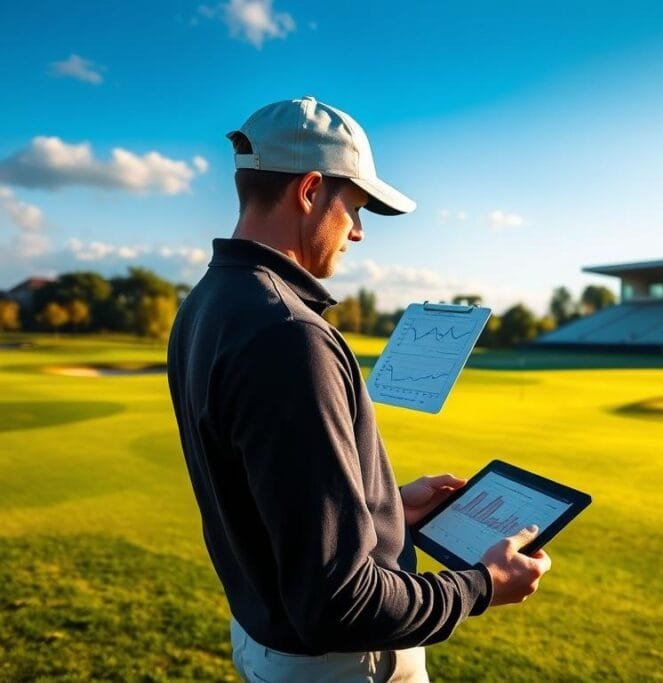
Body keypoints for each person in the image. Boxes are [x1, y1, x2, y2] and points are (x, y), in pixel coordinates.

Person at [167, 96, 551, 682]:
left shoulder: (209, 301)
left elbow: (280, 505)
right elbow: (339, 602)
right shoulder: (289, 335)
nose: (360, 231)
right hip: (341, 666)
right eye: (355, 207)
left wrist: (387, 508)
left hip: (269, 640)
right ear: (310, 191)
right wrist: (481, 585)